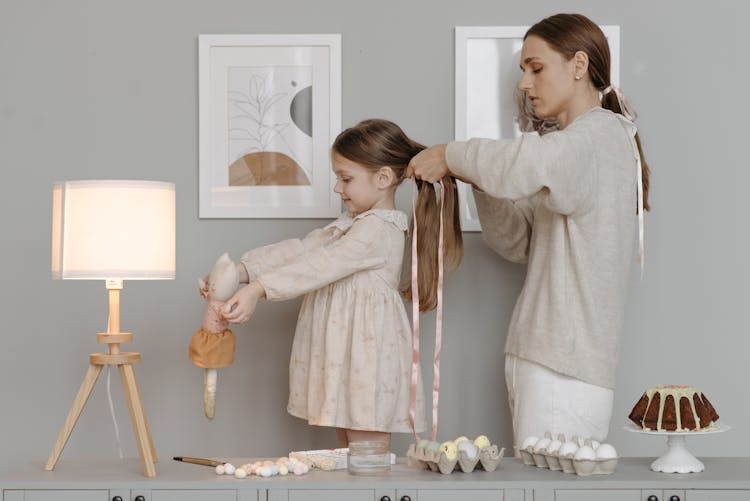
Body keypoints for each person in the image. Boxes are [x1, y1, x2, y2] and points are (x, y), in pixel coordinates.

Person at [407, 13, 651, 451]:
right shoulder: (580, 145)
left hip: (564, 367)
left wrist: (452, 155)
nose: (524, 83)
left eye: (535, 68)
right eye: (523, 70)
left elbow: (527, 163)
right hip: (550, 360)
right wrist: (478, 178)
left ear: (578, 66)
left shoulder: (598, 136)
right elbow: (518, 242)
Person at [210, 119, 463, 447]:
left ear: (383, 178)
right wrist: (241, 270)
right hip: (346, 355)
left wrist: (259, 289)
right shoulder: (351, 224)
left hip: (365, 357)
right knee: (349, 454)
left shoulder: (378, 230)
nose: (337, 188)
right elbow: (304, 249)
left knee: (365, 453)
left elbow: (322, 264)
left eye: (345, 179)